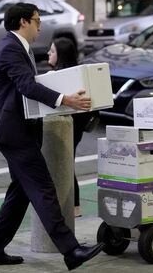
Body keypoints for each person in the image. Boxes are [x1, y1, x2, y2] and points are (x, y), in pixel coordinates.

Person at [0, 3, 104, 271]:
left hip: (17, 130)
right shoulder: (11, 47)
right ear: (23, 22)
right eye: (37, 21)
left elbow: (26, 84)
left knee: (20, 193)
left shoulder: (15, 46)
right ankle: (71, 251)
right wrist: (63, 99)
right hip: (14, 133)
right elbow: (26, 85)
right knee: (44, 189)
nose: (40, 26)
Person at [47, 38, 99, 218]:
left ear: (60, 55)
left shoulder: (58, 78)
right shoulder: (76, 75)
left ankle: (72, 205)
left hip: (65, 127)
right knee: (68, 163)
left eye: (52, 51)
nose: (48, 54)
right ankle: (74, 205)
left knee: (63, 165)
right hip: (76, 128)